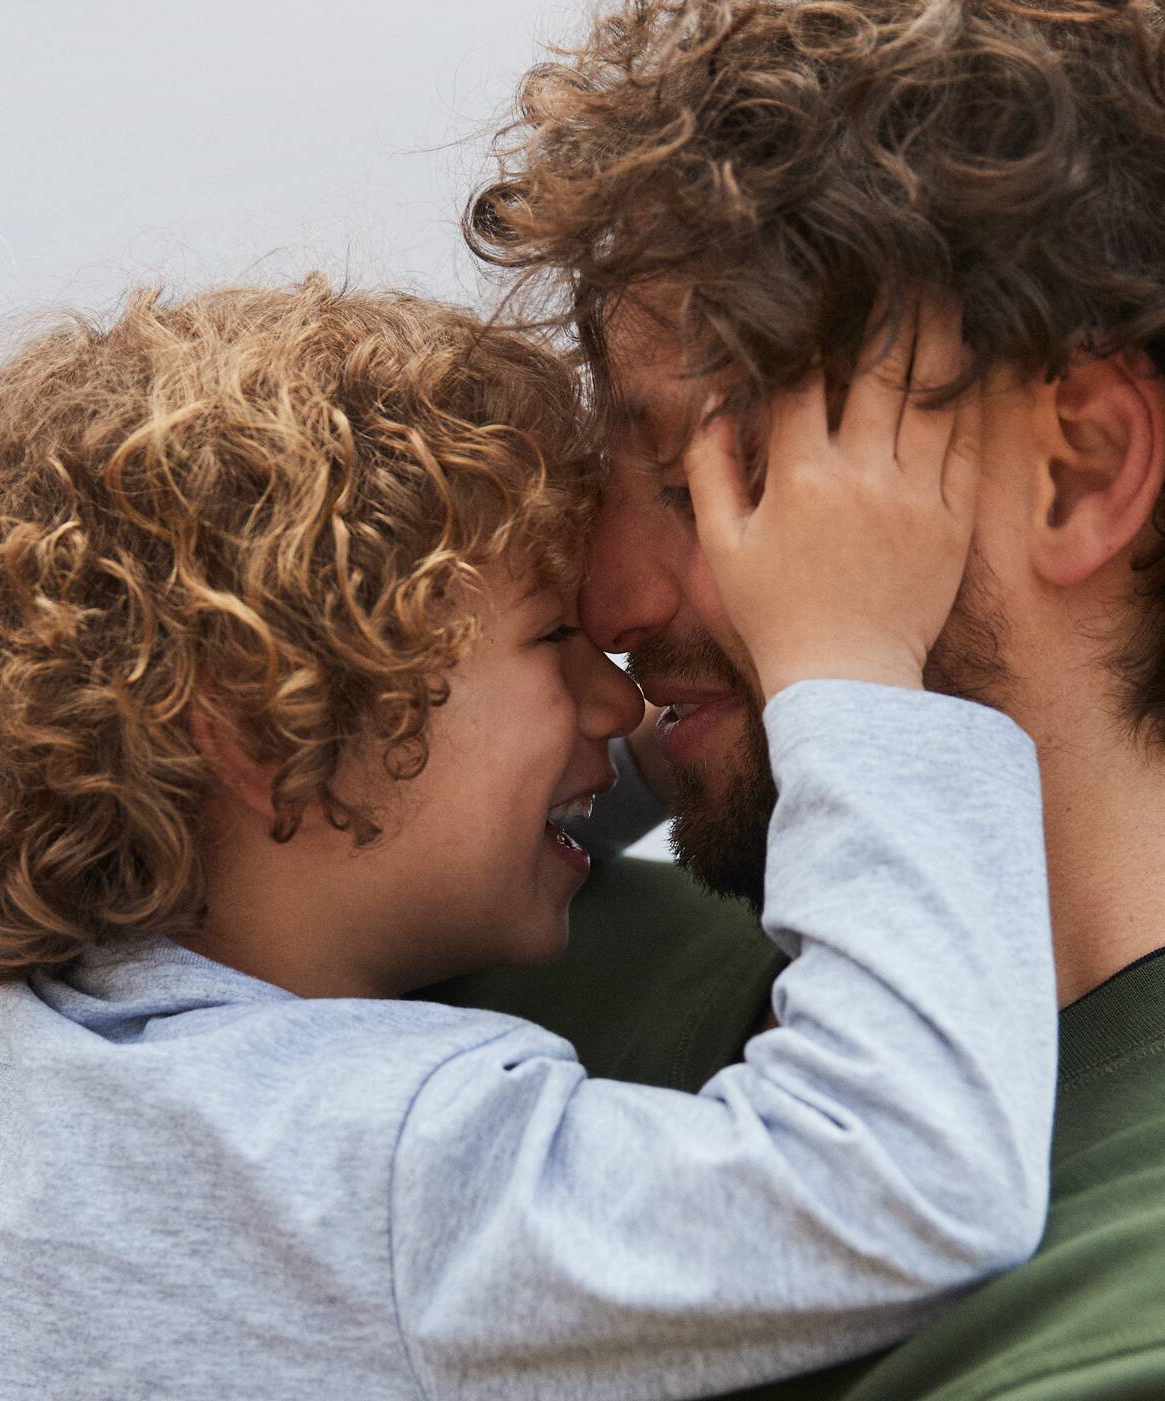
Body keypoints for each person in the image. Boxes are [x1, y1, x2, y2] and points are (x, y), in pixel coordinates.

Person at [0, 275, 1056, 1399]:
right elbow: (901, 1187)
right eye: (550, 640)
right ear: (267, 731)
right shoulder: (368, 1165)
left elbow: (422, 815)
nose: (616, 697)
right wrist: (845, 673)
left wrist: (699, 736)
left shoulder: (82, 1053)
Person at [449, 0, 1165, 1394]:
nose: (610, 602)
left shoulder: (1118, 1320)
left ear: (1075, 471)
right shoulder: (504, 955)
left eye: (708, 479)